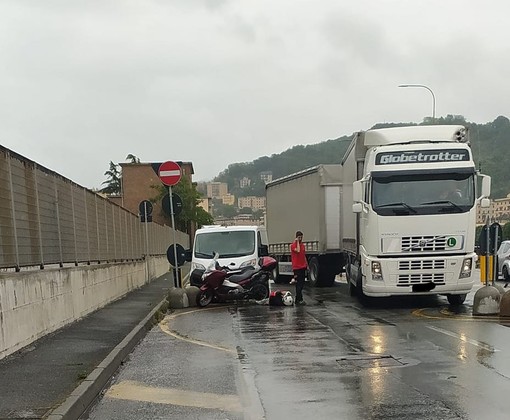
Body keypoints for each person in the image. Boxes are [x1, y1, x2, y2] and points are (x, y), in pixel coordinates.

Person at [290, 230, 308, 305]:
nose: (300, 239)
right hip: (297, 268)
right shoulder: (293, 245)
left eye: (301, 237)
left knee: (302, 283)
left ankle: (298, 299)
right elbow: (297, 250)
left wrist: (307, 265)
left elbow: (303, 255)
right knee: (298, 284)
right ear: (296, 237)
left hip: (303, 266)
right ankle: (299, 299)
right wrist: (297, 242)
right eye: (299, 237)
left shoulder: (303, 246)